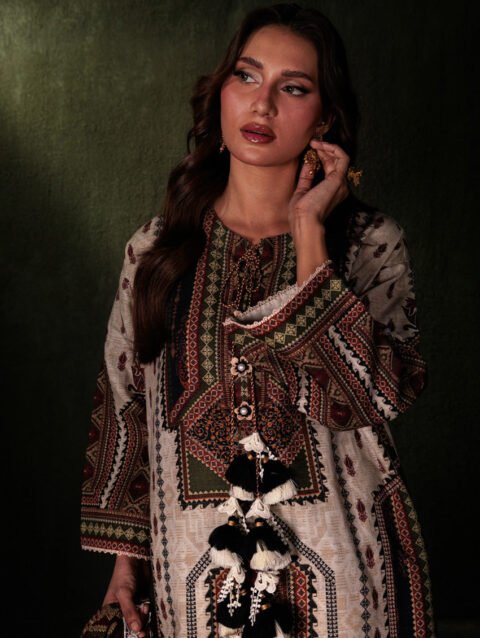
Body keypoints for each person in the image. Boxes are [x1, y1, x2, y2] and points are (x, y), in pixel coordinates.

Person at [80, 3, 436, 637]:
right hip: (190, 581)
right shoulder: (156, 252)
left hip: (343, 586)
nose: (262, 103)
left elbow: (368, 397)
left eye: (292, 88)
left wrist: (308, 231)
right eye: (246, 76)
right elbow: (124, 407)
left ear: (324, 118)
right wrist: (124, 568)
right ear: (220, 94)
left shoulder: (368, 245)